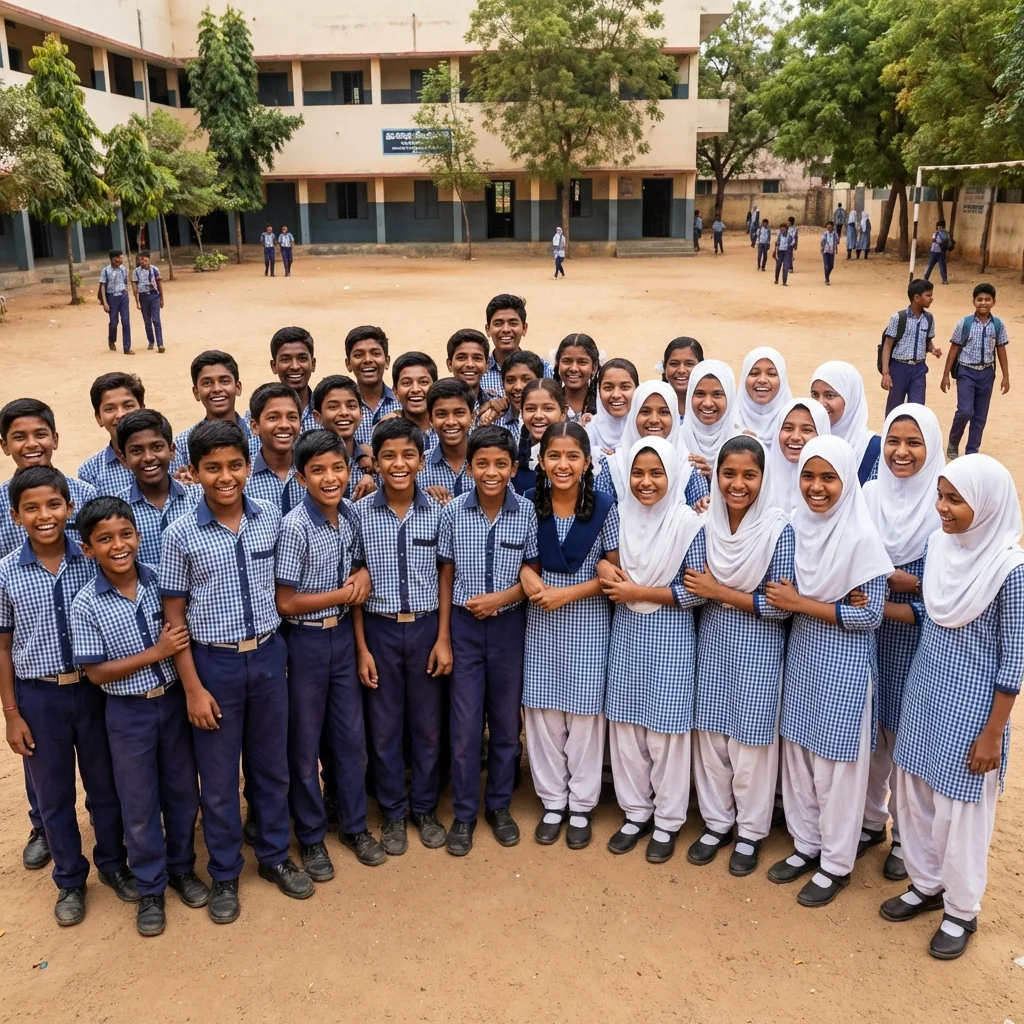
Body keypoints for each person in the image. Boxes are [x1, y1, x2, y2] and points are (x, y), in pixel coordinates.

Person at [160, 419, 314, 924]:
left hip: (269, 655)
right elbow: (174, 617)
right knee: (220, 779)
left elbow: (287, 589)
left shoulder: (271, 516)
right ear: (196, 471)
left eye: (233, 465)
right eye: (212, 468)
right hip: (213, 663)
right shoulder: (181, 531)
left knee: (273, 768)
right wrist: (192, 688)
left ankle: (273, 856)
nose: (225, 476)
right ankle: (225, 872)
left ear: (248, 467)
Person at [884, 455, 1024, 960]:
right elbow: (940, 603)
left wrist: (993, 734)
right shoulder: (940, 546)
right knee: (915, 797)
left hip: (972, 710)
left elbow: (1015, 658)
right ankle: (926, 885)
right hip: (924, 694)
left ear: (986, 506)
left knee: (961, 813)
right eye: (940, 497)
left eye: (955, 500)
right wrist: (914, 586)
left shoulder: (1009, 569)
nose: (942, 508)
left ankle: (962, 910)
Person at [0, 467, 135, 927]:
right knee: (54, 794)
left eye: (54, 505)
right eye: (32, 508)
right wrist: (11, 713)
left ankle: (114, 866)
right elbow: (2, 646)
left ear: (69, 508)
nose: (45, 516)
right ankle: (71, 880)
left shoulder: (91, 559)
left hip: (94, 692)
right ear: (16, 515)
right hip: (39, 698)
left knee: (106, 787)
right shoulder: (5, 573)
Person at [71, 496, 208, 937]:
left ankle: (182, 868)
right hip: (127, 711)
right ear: (88, 549)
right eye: (104, 539)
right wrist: (157, 652)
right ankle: (150, 886)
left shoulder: (159, 585)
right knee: (139, 802)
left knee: (183, 792)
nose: (118, 545)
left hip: (171, 701)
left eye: (125, 534)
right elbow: (95, 672)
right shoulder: (86, 603)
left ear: (139, 535)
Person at [766, 436, 893, 908]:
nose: (816, 487)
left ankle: (836, 863)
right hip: (802, 658)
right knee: (799, 755)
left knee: (839, 768)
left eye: (828, 478)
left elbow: (869, 615)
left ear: (847, 481)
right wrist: (830, 604)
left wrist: (804, 603)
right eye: (808, 476)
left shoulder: (861, 537)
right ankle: (805, 845)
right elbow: (779, 590)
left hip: (844, 666)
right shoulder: (798, 526)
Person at [274, 430, 384, 872]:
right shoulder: (295, 526)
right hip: (305, 642)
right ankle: (312, 836)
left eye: (338, 467)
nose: (330, 477)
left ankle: (355, 825)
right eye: (317, 471)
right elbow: (286, 602)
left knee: (351, 741)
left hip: (342, 639)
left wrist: (361, 582)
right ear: (301, 479)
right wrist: (345, 593)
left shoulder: (352, 515)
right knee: (304, 747)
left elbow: (358, 572)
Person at [685, 436, 793, 876]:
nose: (738, 484)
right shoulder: (705, 523)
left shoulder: (777, 530)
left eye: (750, 475)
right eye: (728, 473)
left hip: (759, 649)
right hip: (712, 644)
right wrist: (716, 594)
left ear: (764, 479)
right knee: (711, 740)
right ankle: (716, 823)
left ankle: (749, 831)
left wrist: (719, 592)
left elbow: (780, 604)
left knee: (751, 747)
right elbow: (693, 583)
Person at [601, 436, 705, 864]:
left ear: (674, 475)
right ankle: (635, 811)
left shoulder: (687, 524)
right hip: (627, 630)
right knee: (626, 725)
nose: (645, 482)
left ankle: (666, 819)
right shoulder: (619, 513)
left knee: (666, 730)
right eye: (638, 473)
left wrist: (638, 590)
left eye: (656, 473)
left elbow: (696, 591)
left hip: (670, 632)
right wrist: (607, 569)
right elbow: (606, 561)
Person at [438, 426, 538, 855]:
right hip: (462, 628)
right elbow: (445, 575)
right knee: (463, 727)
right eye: (482, 463)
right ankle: (463, 813)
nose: (491, 472)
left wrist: (502, 598)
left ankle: (498, 805)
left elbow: (531, 577)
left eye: (501, 464)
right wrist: (443, 636)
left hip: (509, 628)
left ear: (514, 468)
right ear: (471, 466)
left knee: (504, 724)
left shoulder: (528, 513)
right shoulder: (454, 512)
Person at [353, 418, 451, 856]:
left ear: (422, 459)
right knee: (385, 727)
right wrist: (361, 648)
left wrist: (444, 636)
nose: (399, 463)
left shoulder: (440, 512)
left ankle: (425, 807)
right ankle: (393, 811)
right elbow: (354, 589)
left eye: (408, 455)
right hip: (379, 629)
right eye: (388, 456)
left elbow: (446, 575)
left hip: (428, 627)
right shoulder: (356, 514)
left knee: (428, 727)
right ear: (374, 462)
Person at [521, 421, 619, 850]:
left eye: (572, 456)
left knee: (582, 719)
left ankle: (580, 804)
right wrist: (527, 575)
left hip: (588, 626)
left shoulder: (605, 508)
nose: (563, 464)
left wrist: (567, 594)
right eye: (554, 456)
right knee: (542, 716)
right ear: (540, 462)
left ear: (587, 461)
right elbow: (522, 557)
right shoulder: (527, 504)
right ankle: (552, 801)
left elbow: (614, 574)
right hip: (541, 626)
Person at [861, 405, 943, 883]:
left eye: (914, 443)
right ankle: (871, 821)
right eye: (894, 442)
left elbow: (936, 598)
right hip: (865, 637)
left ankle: (904, 840)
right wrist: (903, 582)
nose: (901, 453)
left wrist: (882, 583)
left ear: (931, 448)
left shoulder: (942, 506)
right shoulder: (869, 494)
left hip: (913, 643)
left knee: (906, 739)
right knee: (871, 733)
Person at [0, 399, 99, 557]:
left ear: (55, 440)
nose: (31, 444)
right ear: (5, 446)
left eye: (40, 435)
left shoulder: (85, 494)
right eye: (19, 437)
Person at [596, 380, 710, 508]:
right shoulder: (612, 466)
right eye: (645, 412)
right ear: (633, 416)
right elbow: (600, 518)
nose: (654, 420)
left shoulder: (689, 469)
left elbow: (699, 520)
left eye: (664, 412)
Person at [116, 410, 198, 564]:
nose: (148, 457)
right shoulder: (117, 510)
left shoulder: (199, 498)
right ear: (123, 458)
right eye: (136, 451)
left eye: (157, 447)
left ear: (172, 451)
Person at [941, 282, 1010, 459]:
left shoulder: (998, 325)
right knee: (965, 411)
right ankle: (953, 442)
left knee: (980, 416)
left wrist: (1005, 376)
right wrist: (946, 375)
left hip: (987, 373)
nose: (983, 303)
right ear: (973, 302)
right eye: (979, 299)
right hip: (966, 372)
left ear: (994, 302)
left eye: (987, 299)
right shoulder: (965, 323)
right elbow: (954, 348)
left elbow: (1001, 349)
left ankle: (972, 451)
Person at [170, 351, 248, 475]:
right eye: (207, 383)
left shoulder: (259, 436)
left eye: (225, 381)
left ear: (238, 387)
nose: (217, 389)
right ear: (196, 392)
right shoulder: (182, 444)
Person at [345, 326, 401, 483]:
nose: (368, 360)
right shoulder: (340, 410)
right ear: (348, 364)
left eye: (375, 353)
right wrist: (358, 451)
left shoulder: (402, 405)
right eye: (358, 355)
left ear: (387, 361)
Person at [810, 361, 881, 484]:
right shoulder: (806, 442)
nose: (820, 404)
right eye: (815, 395)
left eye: (830, 395)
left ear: (850, 399)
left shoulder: (876, 450)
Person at [880, 280, 942, 414]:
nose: (931, 298)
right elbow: (888, 344)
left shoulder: (929, 318)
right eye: (928, 295)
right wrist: (886, 373)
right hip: (899, 368)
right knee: (894, 407)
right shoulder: (899, 318)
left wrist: (933, 349)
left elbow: (927, 341)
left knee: (917, 408)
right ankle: (890, 433)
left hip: (919, 369)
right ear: (917, 297)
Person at [78, 372, 145, 496]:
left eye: (128, 406)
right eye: (110, 409)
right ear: (98, 417)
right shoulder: (90, 471)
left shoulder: (170, 455)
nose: (120, 415)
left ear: (142, 409)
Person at [312, 374, 376, 501]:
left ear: (361, 413)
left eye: (351, 406)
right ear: (318, 417)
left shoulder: (373, 464)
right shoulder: (310, 463)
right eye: (333, 407)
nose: (344, 412)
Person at [763, 398, 831, 514]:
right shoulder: (760, 480)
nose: (795, 437)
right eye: (788, 428)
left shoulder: (832, 483)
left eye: (806, 430)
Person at [245, 382, 304, 515]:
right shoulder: (243, 478)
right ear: (255, 427)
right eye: (273, 417)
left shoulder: (312, 471)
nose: (284, 425)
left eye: (292, 417)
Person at [481, 294, 552, 396]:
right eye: (498, 323)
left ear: (524, 328)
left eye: (513, 323)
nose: (505, 329)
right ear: (488, 329)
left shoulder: (544, 369)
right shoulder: (479, 371)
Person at [254, 327, 319, 438]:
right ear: (273, 366)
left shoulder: (326, 413)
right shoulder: (257, 418)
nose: (295, 366)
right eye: (285, 359)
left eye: (302, 358)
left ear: (313, 364)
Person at [680, 359, 738, 479]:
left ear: (730, 397)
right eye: (700, 394)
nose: (707, 403)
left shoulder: (742, 444)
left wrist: (715, 478)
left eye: (717, 395)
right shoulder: (677, 441)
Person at [419, 379, 475, 503]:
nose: (451, 422)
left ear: (472, 417)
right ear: (430, 419)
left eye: (459, 413)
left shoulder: (489, 463)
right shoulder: (420, 468)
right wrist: (425, 498)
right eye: (441, 414)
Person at [512, 379, 568, 495]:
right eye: (530, 409)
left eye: (548, 408)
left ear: (563, 413)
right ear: (521, 412)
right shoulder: (513, 458)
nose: (538, 416)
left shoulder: (576, 457)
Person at [584, 358, 639, 456]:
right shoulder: (590, 431)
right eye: (608, 388)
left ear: (637, 390)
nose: (616, 395)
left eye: (625, 387)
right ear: (599, 392)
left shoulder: (645, 428)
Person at [736, 347, 791, 443]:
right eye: (754, 373)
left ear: (782, 380)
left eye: (771, 374)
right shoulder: (728, 422)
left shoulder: (793, 424)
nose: (762, 380)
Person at [392, 351, 439, 453]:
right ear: (395, 392)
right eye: (406, 383)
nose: (415, 389)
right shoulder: (388, 434)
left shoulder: (448, 429)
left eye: (423, 382)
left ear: (435, 387)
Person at [495, 350, 544, 438]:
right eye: (510, 380)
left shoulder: (548, 421)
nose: (518, 387)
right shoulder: (494, 423)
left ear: (539, 381)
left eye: (526, 379)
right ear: (503, 384)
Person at [446, 329, 498, 408]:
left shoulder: (497, 407)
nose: (470, 364)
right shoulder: (438, 404)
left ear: (487, 365)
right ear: (449, 364)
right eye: (461, 358)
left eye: (477, 358)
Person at [554, 333, 600, 422]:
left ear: (594, 367)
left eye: (582, 362)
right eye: (567, 361)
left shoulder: (603, 405)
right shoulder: (548, 402)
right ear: (557, 364)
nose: (574, 369)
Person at [661, 337, 705, 421]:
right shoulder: (653, 405)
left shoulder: (710, 408)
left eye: (689, 364)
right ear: (664, 366)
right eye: (674, 364)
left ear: (701, 366)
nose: (681, 370)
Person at [130, 250, 165, 352]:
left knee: (156, 320)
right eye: (141, 260)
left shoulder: (155, 270)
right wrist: (137, 301)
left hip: (154, 295)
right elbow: (134, 285)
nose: (143, 262)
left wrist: (161, 298)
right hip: (143, 297)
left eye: (145, 260)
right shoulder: (136, 271)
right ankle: (151, 340)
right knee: (147, 321)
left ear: (149, 260)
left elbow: (159, 285)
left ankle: (160, 344)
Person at [99, 249, 132, 355]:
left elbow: (125, 281)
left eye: (121, 258)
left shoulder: (123, 269)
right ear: (112, 259)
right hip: (112, 298)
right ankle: (112, 340)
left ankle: (127, 347)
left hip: (123, 296)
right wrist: (105, 302)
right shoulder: (105, 271)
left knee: (126, 322)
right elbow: (103, 286)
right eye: (117, 258)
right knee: (114, 322)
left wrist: (126, 292)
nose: (119, 260)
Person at [923, 220, 950, 285]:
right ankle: (945, 280)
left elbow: (934, 241)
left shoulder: (936, 233)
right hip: (942, 251)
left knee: (930, 266)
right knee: (942, 266)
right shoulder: (947, 234)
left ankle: (925, 279)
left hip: (934, 251)